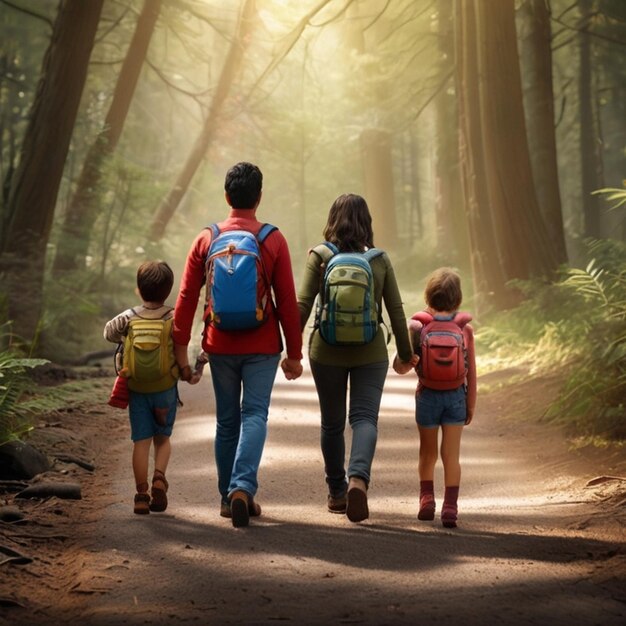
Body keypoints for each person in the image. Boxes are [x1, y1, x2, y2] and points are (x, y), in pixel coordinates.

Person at [173, 161, 303, 528]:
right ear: (259, 197)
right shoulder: (272, 239)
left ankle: (227, 499)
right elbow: (287, 301)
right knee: (255, 414)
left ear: (227, 196)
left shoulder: (207, 238)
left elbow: (185, 297)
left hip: (220, 343)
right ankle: (242, 487)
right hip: (262, 344)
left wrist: (182, 353)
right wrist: (294, 355)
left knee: (227, 421)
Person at [297, 193, 417, 523]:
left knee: (332, 423)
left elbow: (303, 305)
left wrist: (291, 351)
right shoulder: (379, 260)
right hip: (371, 351)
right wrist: (407, 355)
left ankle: (336, 493)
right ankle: (358, 480)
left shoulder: (319, 256)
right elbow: (395, 310)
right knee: (364, 418)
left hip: (326, 350)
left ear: (332, 219)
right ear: (367, 223)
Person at [394, 267, 476, 528]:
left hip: (427, 395)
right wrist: (470, 405)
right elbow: (471, 373)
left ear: (428, 297)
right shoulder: (465, 329)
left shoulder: (418, 326)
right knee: (451, 456)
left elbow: (400, 366)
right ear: (458, 299)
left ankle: (427, 500)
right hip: (456, 398)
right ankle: (450, 508)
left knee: (427, 454)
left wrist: (411, 359)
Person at [103, 261, 179, 515]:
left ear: (139, 289)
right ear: (168, 291)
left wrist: (125, 336)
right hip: (165, 388)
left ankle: (141, 494)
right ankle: (159, 477)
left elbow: (108, 334)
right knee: (163, 438)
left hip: (136, 389)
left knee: (141, 442)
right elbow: (183, 341)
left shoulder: (129, 316)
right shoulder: (172, 316)